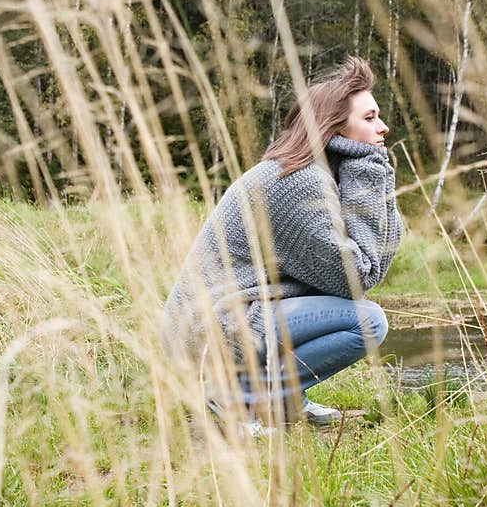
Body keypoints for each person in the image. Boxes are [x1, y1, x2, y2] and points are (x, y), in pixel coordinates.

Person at [162, 56, 402, 436]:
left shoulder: (317, 172)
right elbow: (355, 277)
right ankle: (235, 399)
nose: (383, 127)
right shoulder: (299, 183)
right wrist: (369, 171)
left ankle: (286, 400)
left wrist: (376, 177)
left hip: (237, 316)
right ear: (333, 127)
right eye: (370, 118)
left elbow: (375, 259)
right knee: (367, 321)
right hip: (213, 328)